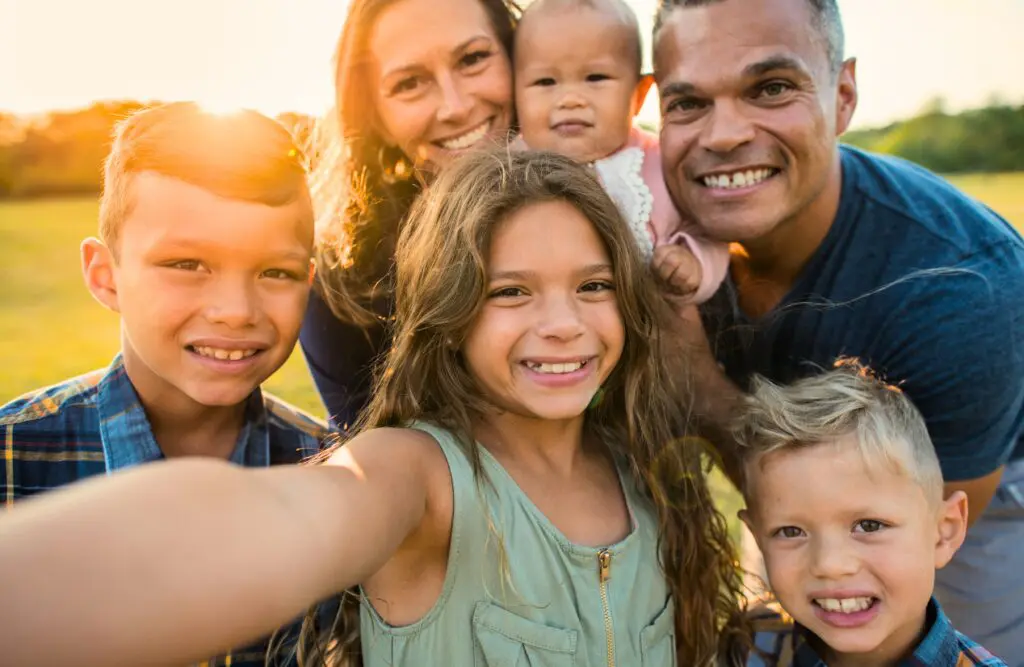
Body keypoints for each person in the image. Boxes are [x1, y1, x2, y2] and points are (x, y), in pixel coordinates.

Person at [0, 150, 747, 667]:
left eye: (593, 285)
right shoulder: (415, 475)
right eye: (510, 290)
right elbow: (277, 518)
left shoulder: (646, 474)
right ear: (451, 314)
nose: (564, 323)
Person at [651, 0, 1024, 659]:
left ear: (843, 94)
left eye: (770, 88)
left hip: (963, 499)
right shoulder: (658, 244)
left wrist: (702, 392)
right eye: (688, 103)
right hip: (786, 494)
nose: (726, 133)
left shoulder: (958, 282)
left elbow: (907, 540)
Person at [0, 102, 332, 666]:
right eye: (187, 264)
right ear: (106, 276)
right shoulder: (12, 456)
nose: (234, 311)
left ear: (308, 279)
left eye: (274, 272)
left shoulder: (331, 478)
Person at [298, 0, 520, 430]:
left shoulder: (632, 195)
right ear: (376, 117)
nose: (454, 106)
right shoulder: (344, 283)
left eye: (473, 59)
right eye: (410, 83)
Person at [732, 360, 1006, 666]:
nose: (830, 565)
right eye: (791, 532)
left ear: (944, 531)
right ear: (758, 538)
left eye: (869, 525)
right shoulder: (748, 647)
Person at [513, 0, 729, 303]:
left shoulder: (659, 163)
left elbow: (707, 231)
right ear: (515, 94)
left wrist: (691, 263)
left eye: (596, 78)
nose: (570, 99)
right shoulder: (505, 169)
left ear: (638, 95)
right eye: (545, 81)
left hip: (651, 329)